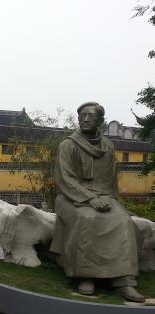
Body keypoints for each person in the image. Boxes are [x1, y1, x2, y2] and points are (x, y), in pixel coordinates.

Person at [51, 102, 145, 302]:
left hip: (105, 197)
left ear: (100, 121)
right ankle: (86, 276)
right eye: (82, 116)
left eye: (90, 116)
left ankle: (125, 281)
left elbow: (111, 180)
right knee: (87, 219)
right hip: (71, 198)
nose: (85, 119)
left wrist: (111, 201)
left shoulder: (108, 146)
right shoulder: (67, 145)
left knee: (125, 222)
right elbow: (65, 180)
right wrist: (90, 198)